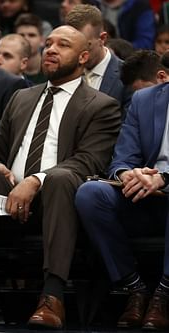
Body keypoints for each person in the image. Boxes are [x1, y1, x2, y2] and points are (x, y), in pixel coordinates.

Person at [0, 25, 121, 328]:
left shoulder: (101, 105)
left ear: (83, 56)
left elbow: (88, 162)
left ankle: (52, 299)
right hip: (8, 193)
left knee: (59, 179)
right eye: (48, 44)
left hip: (57, 200)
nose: (51, 49)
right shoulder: (21, 97)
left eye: (63, 45)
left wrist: (35, 181)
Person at [75, 81, 169, 331]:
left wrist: (164, 177)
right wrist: (127, 173)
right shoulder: (144, 99)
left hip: (163, 187)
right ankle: (134, 288)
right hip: (143, 194)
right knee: (90, 193)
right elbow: (123, 157)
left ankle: (163, 296)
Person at [65, 4, 131, 112]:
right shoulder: (63, 71)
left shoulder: (126, 76)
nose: (78, 52)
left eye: (86, 45)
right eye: (71, 45)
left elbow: (128, 125)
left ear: (102, 38)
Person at [15, 13, 47, 84]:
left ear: (42, 40)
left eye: (32, 35)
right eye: (21, 35)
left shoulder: (51, 71)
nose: (26, 39)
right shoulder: (10, 71)